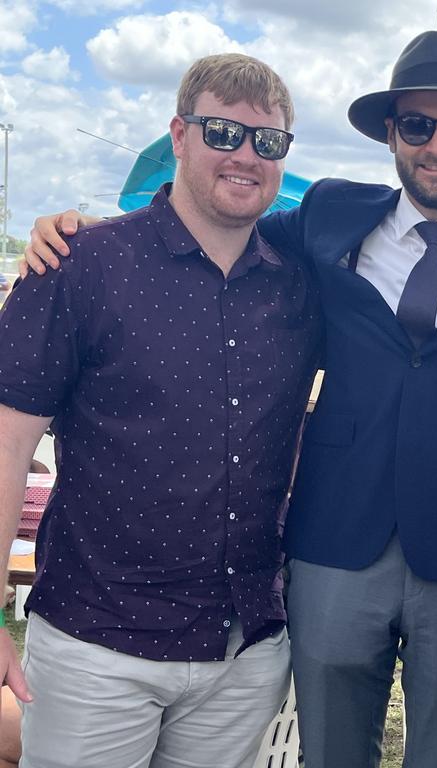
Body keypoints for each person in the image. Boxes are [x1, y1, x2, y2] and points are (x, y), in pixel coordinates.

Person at [24, 31, 437, 768]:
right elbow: (211, 223)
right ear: (390, 134)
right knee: (331, 749)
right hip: (335, 536)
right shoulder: (327, 217)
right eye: (417, 125)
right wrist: (82, 232)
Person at [0, 54, 319, 767]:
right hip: (96, 645)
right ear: (179, 134)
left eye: (267, 142)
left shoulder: (300, 285)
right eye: (222, 133)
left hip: (243, 652)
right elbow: (8, 438)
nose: (245, 155)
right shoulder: (81, 264)